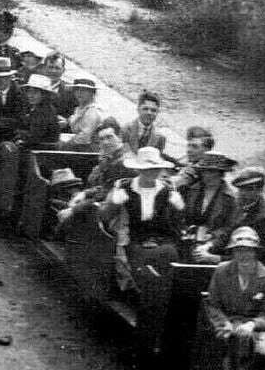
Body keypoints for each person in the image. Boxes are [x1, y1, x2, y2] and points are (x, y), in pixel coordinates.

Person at [104, 146, 185, 365]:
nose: (152, 173)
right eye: (147, 169)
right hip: (136, 242)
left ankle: (159, 336)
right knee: (151, 278)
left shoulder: (168, 191)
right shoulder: (125, 189)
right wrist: (114, 202)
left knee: (169, 266)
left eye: (156, 169)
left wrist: (177, 209)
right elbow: (107, 218)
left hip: (164, 243)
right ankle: (144, 343)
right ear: (139, 170)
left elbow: (176, 227)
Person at [205, 226, 265, 370]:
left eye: (249, 250)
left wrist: (251, 324)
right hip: (224, 324)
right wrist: (223, 322)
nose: (244, 255)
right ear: (232, 252)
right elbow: (212, 305)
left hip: (253, 330)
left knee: (247, 343)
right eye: (239, 250)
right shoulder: (221, 271)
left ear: (255, 252)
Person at [181, 151, 241, 263]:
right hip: (189, 239)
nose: (207, 175)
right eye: (205, 171)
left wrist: (209, 244)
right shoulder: (192, 190)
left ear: (220, 173)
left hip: (215, 244)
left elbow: (228, 229)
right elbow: (183, 216)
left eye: (212, 172)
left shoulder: (230, 199)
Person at [225, 167, 265, 265]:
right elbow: (228, 231)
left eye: (248, 190)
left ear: (258, 190)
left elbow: (261, 257)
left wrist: (218, 259)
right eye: (241, 189)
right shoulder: (240, 204)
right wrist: (210, 246)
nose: (242, 193)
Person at [85, 119, 134, 190]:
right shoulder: (107, 158)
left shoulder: (126, 161)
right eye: (101, 139)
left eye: (109, 137)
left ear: (119, 137)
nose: (105, 142)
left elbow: (108, 188)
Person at [61, 78, 104, 148]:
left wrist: (65, 145)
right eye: (77, 90)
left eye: (84, 90)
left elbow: (84, 137)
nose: (79, 93)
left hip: (91, 148)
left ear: (92, 93)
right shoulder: (80, 109)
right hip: (79, 144)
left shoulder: (93, 110)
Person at [172, 125, 216, 190]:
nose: (188, 150)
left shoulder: (210, 174)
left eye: (195, 146)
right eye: (188, 145)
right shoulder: (191, 165)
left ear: (207, 150)